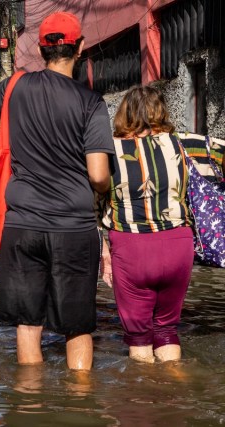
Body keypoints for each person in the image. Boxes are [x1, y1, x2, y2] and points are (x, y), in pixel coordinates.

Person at [0, 11, 114, 370]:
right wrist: (106, 190)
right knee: (77, 327)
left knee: (28, 324)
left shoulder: (13, 87)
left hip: (22, 226)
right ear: (80, 48)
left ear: (42, 48)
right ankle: (80, 404)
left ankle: (29, 404)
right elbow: (97, 175)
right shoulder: (91, 103)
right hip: (73, 228)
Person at [98, 85, 194, 364]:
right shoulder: (184, 143)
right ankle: (175, 389)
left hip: (132, 248)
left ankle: (142, 398)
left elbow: (92, 201)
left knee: (139, 337)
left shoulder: (107, 150)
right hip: (178, 245)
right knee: (166, 330)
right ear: (161, 111)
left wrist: (102, 249)